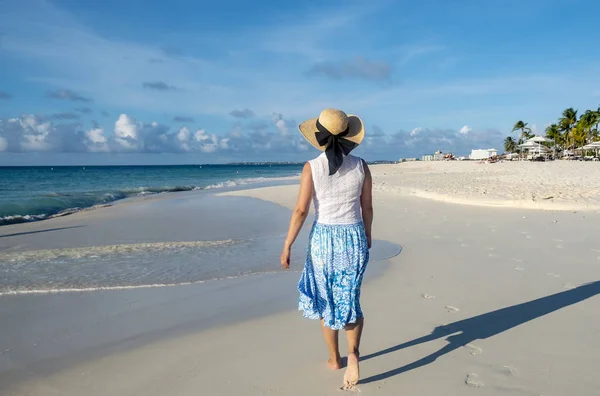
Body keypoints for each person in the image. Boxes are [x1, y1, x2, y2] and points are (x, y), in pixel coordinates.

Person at [280, 108, 373, 389]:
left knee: (326, 301)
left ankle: (335, 359)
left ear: (319, 137)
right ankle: (354, 352)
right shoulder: (361, 166)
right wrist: (367, 236)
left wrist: (287, 245)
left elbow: (300, 211)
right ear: (348, 135)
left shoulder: (312, 167)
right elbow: (366, 207)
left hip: (323, 240)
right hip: (354, 237)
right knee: (350, 298)